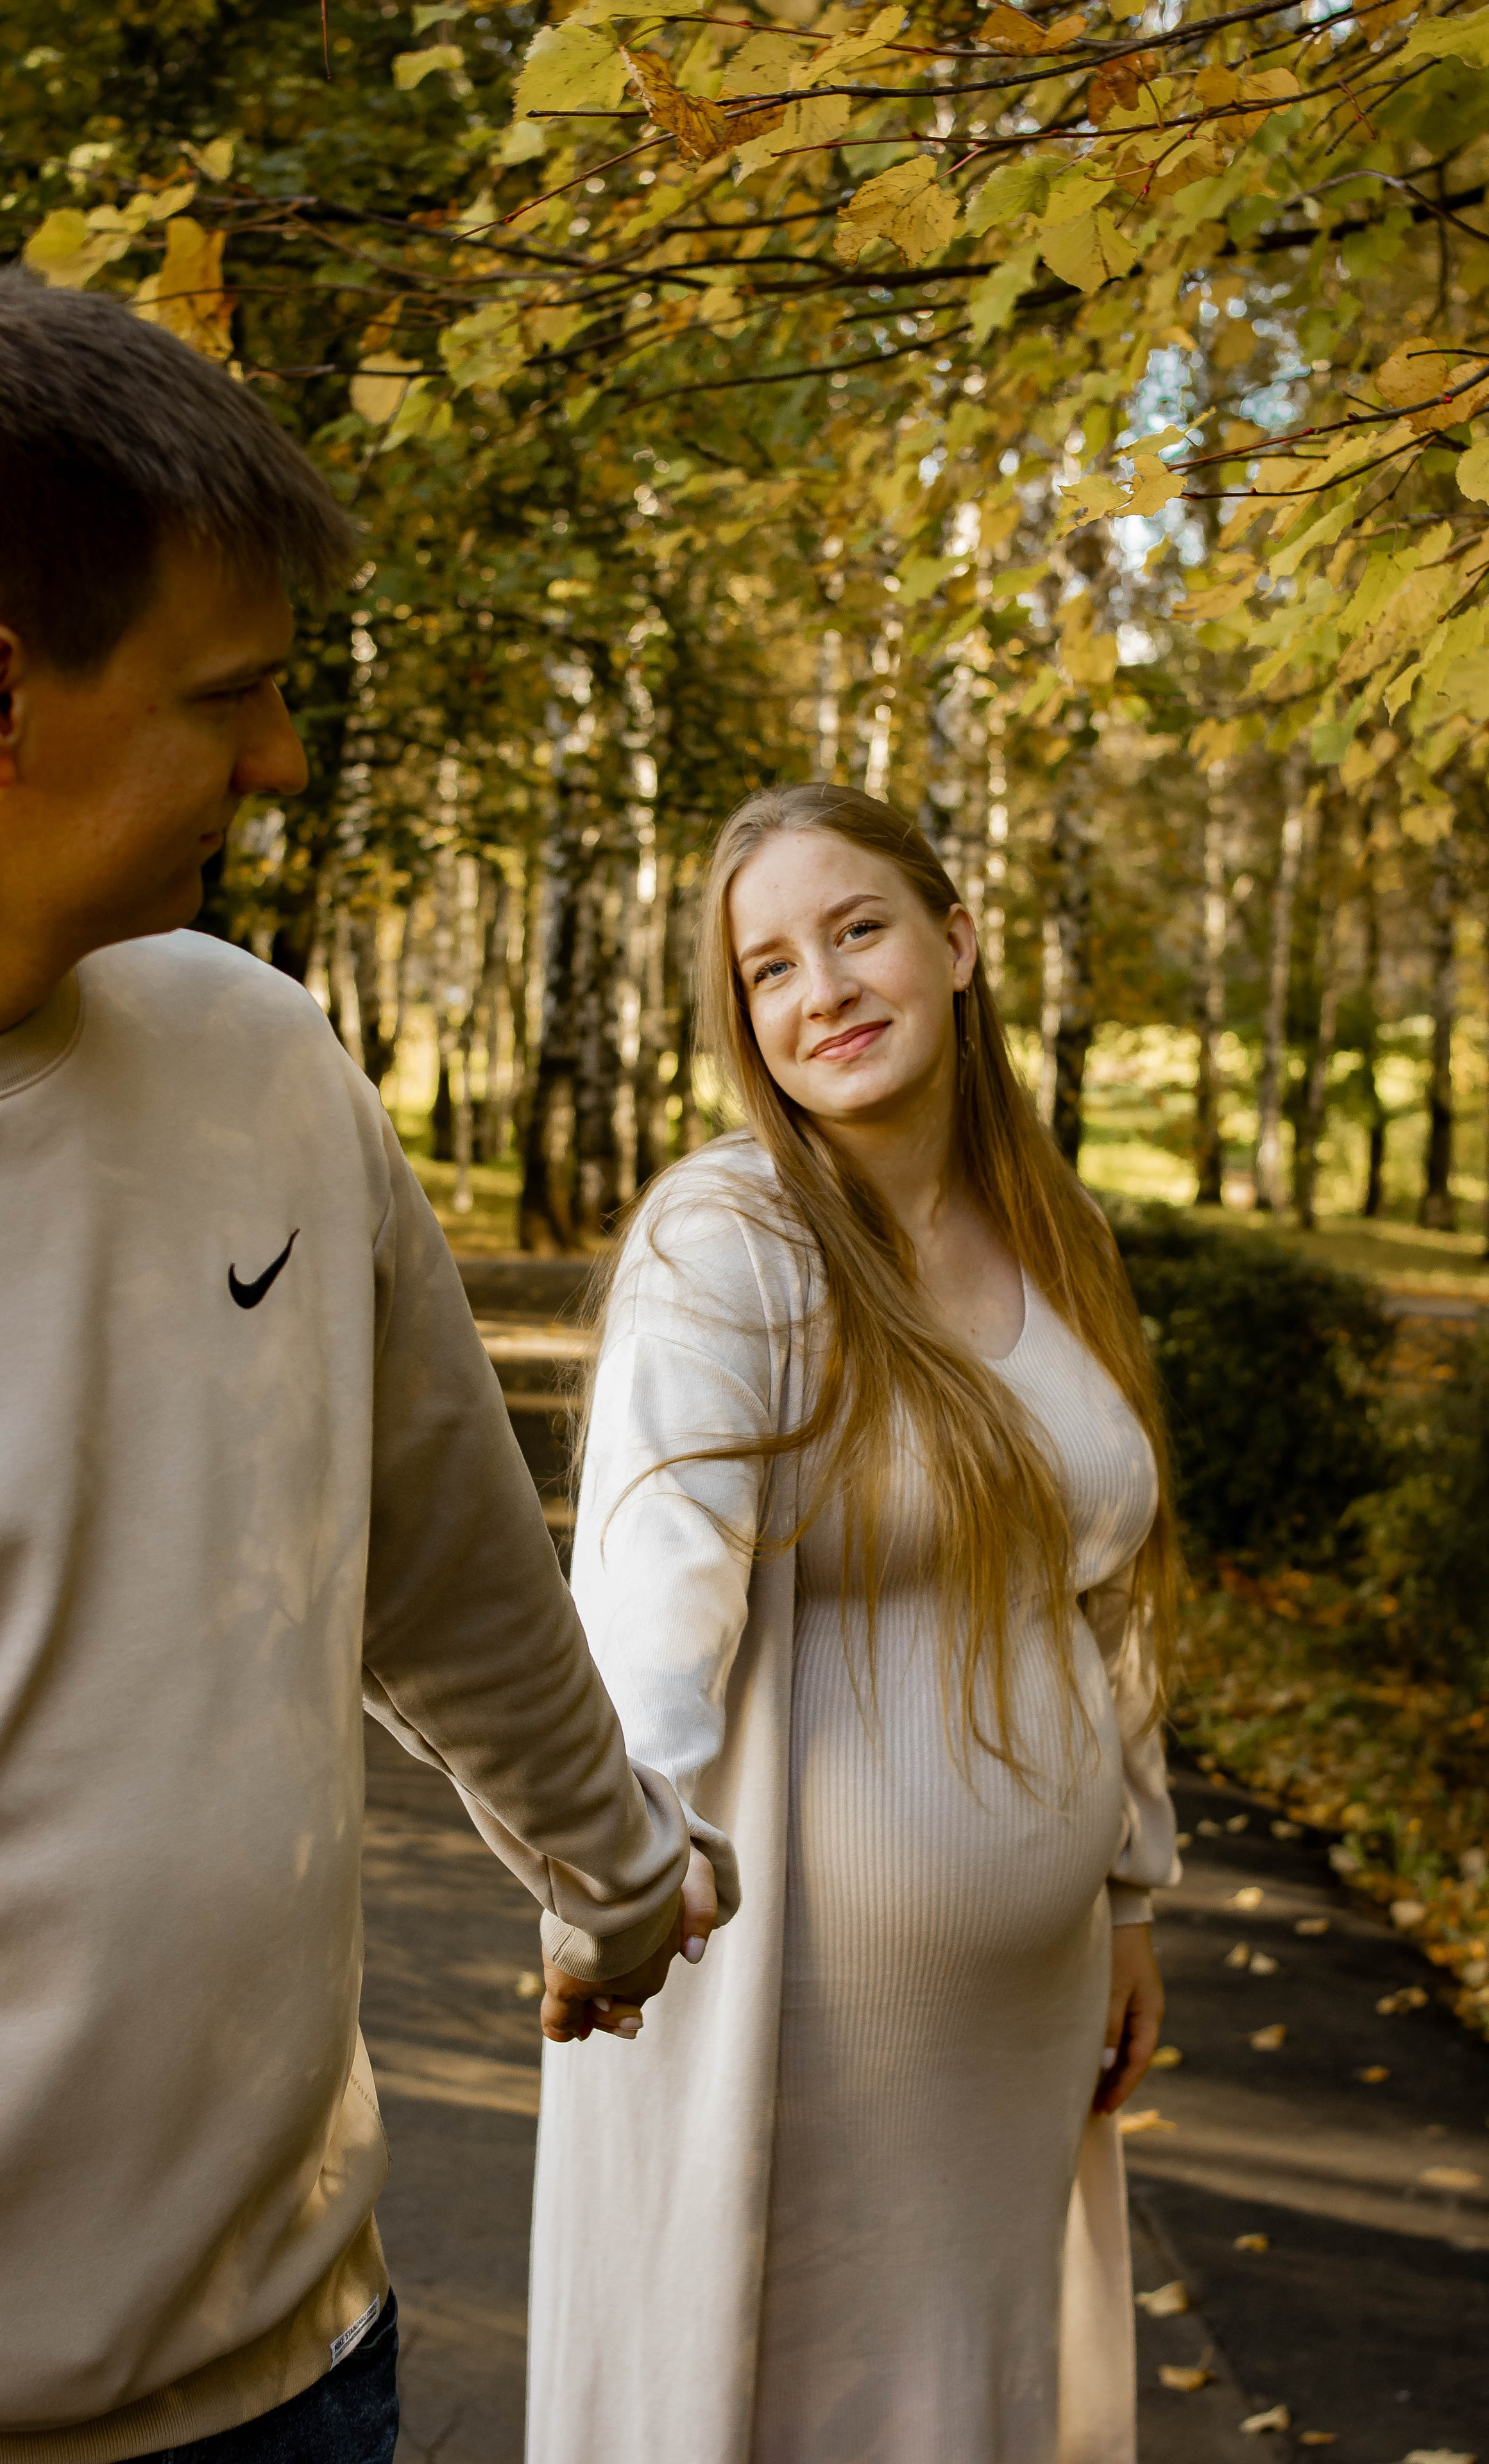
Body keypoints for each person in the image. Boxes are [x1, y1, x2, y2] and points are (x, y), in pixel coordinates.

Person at [0, 268, 696, 2462]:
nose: (282, 761)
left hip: (301, 2383)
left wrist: (613, 1875)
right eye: (231, 697)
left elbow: (439, 1553)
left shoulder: (258, 1054)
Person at [529, 783, 1182, 2464]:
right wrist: (617, 1862)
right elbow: (653, 1578)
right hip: (786, 2022)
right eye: (768, 967)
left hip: (1019, 2021)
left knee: (970, 2408)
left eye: (859, 928)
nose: (820, 986)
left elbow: (1105, 1598)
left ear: (957, 944)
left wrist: (1127, 1894)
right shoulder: (728, 1238)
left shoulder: (1065, 1240)